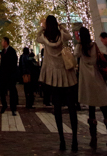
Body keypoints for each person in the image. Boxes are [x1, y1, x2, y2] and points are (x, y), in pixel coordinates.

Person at [37, 16, 78, 152]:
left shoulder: (44, 36)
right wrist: (60, 26)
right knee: (72, 108)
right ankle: (75, 140)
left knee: (57, 109)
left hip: (53, 77)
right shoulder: (61, 34)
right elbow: (69, 36)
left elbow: (37, 37)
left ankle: (62, 140)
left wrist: (42, 27)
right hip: (66, 74)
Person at [75, 27, 107, 149]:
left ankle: (93, 139)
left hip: (88, 82)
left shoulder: (80, 47)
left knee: (91, 110)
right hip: (98, 79)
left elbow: (75, 55)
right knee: (104, 110)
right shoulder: (94, 46)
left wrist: (78, 42)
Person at [0, 36, 18, 116]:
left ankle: (13, 108)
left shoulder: (12, 51)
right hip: (3, 75)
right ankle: (4, 105)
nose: (1, 43)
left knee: (12, 92)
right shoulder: (2, 51)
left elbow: (13, 62)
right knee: (2, 91)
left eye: (2, 41)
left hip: (10, 75)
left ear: (5, 42)